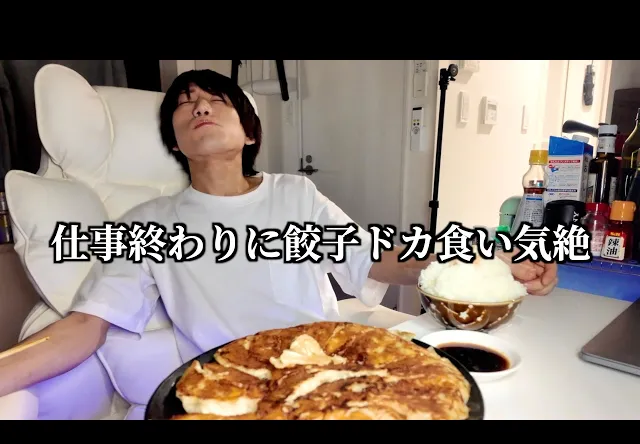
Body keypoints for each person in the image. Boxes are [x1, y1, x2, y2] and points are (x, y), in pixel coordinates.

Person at [0, 70, 557, 399]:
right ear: (175, 141)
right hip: (237, 387)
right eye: (185, 105)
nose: (199, 105)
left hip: (331, 372)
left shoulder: (295, 196)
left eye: (215, 100)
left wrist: (489, 263)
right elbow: (85, 326)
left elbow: (378, 259)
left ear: (249, 132)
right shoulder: (148, 223)